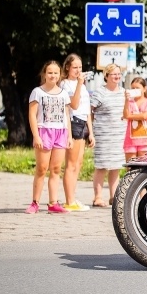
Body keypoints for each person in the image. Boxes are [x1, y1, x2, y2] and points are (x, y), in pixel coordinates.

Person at [25, 61, 72, 214]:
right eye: (50, 72)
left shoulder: (64, 93)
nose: (53, 75)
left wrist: (69, 136)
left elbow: (67, 116)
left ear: (60, 75)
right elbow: (32, 115)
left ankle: (53, 203)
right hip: (44, 131)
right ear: (44, 74)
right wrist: (36, 136)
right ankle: (35, 202)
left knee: (56, 168)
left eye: (56, 73)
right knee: (42, 168)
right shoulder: (37, 92)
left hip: (61, 132)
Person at [59, 54, 94, 212]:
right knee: (71, 164)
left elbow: (86, 109)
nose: (78, 70)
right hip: (73, 123)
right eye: (75, 67)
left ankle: (73, 197)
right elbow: (73, 104)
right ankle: (69, 200)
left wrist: (91, 132)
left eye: (80, 67)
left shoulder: (83, 85)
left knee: (78, 163)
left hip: (83, 124)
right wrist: (79, 84)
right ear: (67, 67)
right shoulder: (65, 84)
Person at [90, 64, 126, 207]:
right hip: (103, 135)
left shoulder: (124, 92)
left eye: (119, 74)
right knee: (102, 166)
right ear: (106, 76)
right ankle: (97, 197)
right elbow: (89, 112)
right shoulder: (100, 92)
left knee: (116, 166)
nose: (117, 76)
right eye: (113, 74)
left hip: (119, 134)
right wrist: (91, 132)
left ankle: (113, 196)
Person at [123, 76, 147, 160]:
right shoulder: (129, 102)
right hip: (130, 140)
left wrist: (130, 116)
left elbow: (144, 116)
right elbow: (125, 115)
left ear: (144, 89)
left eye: (137, 88)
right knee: (130, 168)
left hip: (145, 140)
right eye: (132, 88)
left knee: (143, 167)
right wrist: (126, 100)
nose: (134, 90)